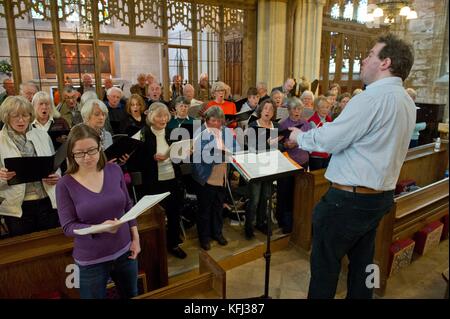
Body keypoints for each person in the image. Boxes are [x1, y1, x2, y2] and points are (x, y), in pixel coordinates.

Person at [289, 33, 415, 299]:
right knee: (364, 266)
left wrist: (299, 136)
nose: (363, 59)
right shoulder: (407, 101)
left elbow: (332, 138)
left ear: (385, 62)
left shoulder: (370, 98)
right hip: (379, 198)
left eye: (370, 54)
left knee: (325, 267)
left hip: (347, 200)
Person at [56, 124, 140, 299]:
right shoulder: (65, 184)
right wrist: (100, 228)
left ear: (100, 147)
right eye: (79, 153)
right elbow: (68, 227)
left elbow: (128, 206)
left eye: (92, 150)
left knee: (131, 294)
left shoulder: (114, 170)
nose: (87, 157)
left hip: (125, 251)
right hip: (91, 260)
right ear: (71, 154)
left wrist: (136, 239)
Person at [128, 102, 187, 259]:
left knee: (175, 214)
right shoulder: (142, 133)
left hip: (173, 180)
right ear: (151, 117)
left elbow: (179, 158)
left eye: (166, 115)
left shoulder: (171, 131)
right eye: (160, 116)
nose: (163, 119)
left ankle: (173, 244)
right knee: (156, 217)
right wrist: (152, 158)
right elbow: (133, 161)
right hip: (153, 183)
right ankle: (156, 248)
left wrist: (183, 152)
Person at [0, 96, 60, 237]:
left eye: (25, 115)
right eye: (15, 116)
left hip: (46, 201)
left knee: (51, 244)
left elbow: (54, 163)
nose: (21, 120)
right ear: (6, 117)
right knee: (24, 250)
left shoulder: (42, 135)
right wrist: (1, 177)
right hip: (16, 207)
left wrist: (56, 176)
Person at [191, 106, 240, 250]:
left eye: (219, 121)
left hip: (222, 176)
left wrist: (227, 151)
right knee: (204, 210)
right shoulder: (200, 132)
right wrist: (222, 153)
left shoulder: (225, 130)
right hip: (206, 177)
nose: (217, 124)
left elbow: (236, 148)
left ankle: (217, 233)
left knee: (218, 207)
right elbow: (203, 156)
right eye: (213, 121)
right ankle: (204, 238)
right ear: (207, 120)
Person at [244, 99, 280, 239]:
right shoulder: (253, 125)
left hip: (270, 166)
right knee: (254, 199)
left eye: (271, 109)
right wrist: (266, 143)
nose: (268, 111)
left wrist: (278, 144)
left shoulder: (275, 126)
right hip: (256, 167)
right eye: (265, 108)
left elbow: (279, 147)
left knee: (265, 197)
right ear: (261, 110)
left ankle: (260, 222)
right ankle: (249, 226)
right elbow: (250, 148)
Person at [276, 97, 311, 234]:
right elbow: (278, 144)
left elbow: (309, 141)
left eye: (299, 109)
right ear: (289, 110)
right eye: (294, 109)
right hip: (287, 162)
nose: (297, 111)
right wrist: (285, 145)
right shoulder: (283, 124)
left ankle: (296, 221)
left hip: (302, 161)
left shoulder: (306, 124)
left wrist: (298, 142)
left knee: (298, 193)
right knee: (285, 193)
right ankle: (285, 223)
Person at [307, 95, 332, 171]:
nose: (325, 110)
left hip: (327, 153)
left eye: (327, 107)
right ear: (317, 108)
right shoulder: (312, 121)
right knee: (317, 179)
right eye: (322, 107)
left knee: (325, 180)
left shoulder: (329, 119)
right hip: (316, 156)